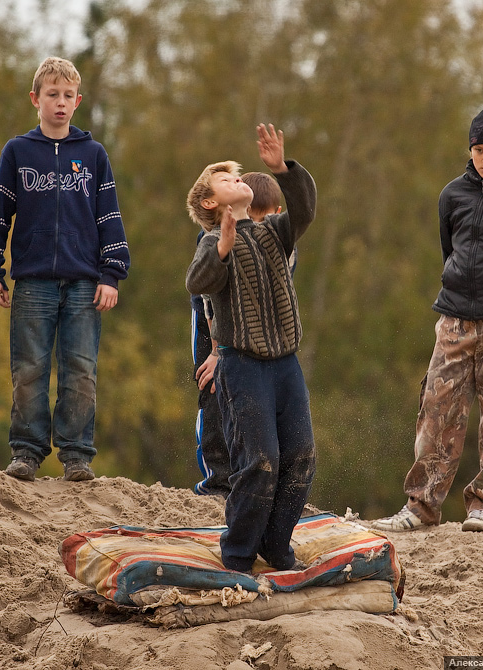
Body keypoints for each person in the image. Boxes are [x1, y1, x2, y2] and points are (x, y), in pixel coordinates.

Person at [371, 105, 483, 533]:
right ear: (470, 150)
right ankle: (421, 507)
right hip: (454, 319)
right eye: (478, 149)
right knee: (437, 409)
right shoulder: (451, 194)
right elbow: (447, 250)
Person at [0, 56, 130, 483]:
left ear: (77, 102)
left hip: (85, 282)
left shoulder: (94, 155)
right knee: (29, 370)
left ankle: (77, 455)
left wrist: (112, 274)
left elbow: (109, 217)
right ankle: (26, 452)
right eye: (52, 95)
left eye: (67, 96)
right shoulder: (18, 152)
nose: (60, 103)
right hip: (33, 281)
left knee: (81, 370)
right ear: (35, 99)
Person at [185, 123, 317, 573]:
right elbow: (197, 282)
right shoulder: (211, 243)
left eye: (240, 176)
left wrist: (282, 168)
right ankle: (238, 553)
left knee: (300, 458)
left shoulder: (274, 233)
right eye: (226, 180)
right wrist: (221, 247)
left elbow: (303, 211)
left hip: (286, 365)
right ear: (210, 202)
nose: (239, 180)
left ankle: (276, 545)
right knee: (260, 462)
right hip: (242, 367)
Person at [191, 171, 284, 498]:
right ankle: (218, 480)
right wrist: (217, 353)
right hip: (214, 315)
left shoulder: (277, 240)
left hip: (256, 325)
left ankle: (263, 480)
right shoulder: (215, 237)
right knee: (214, 386)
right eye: (252, 219)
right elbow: (209, 300)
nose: (256, 226)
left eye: (264, 220)